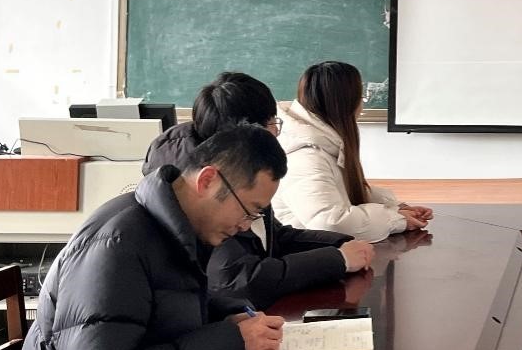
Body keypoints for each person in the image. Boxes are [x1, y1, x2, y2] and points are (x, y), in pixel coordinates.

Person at [17, 125, 289, 350]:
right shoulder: (117, 244)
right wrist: (228, 342)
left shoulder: (172, 226)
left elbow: (155, 307)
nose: (246, 225)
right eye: (247, 210)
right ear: (207, 180)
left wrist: (224, 315)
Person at [142, 71, 374, 307]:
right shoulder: (208, 192)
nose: (276, 132)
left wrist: (341, 245)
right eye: (272, 123)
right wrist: (338, 260)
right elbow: (237, 281)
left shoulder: (243, 169)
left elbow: (275, 237)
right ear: (248, 134)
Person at [273, 61, 433, 240]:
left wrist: (395, 209)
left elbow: (340, 192)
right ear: (347, 103)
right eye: (360, 97)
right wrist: (395, 219)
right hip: (305, 250)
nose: (361, 105)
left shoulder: (321, 142)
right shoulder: (305, 155)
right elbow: (330, 223)